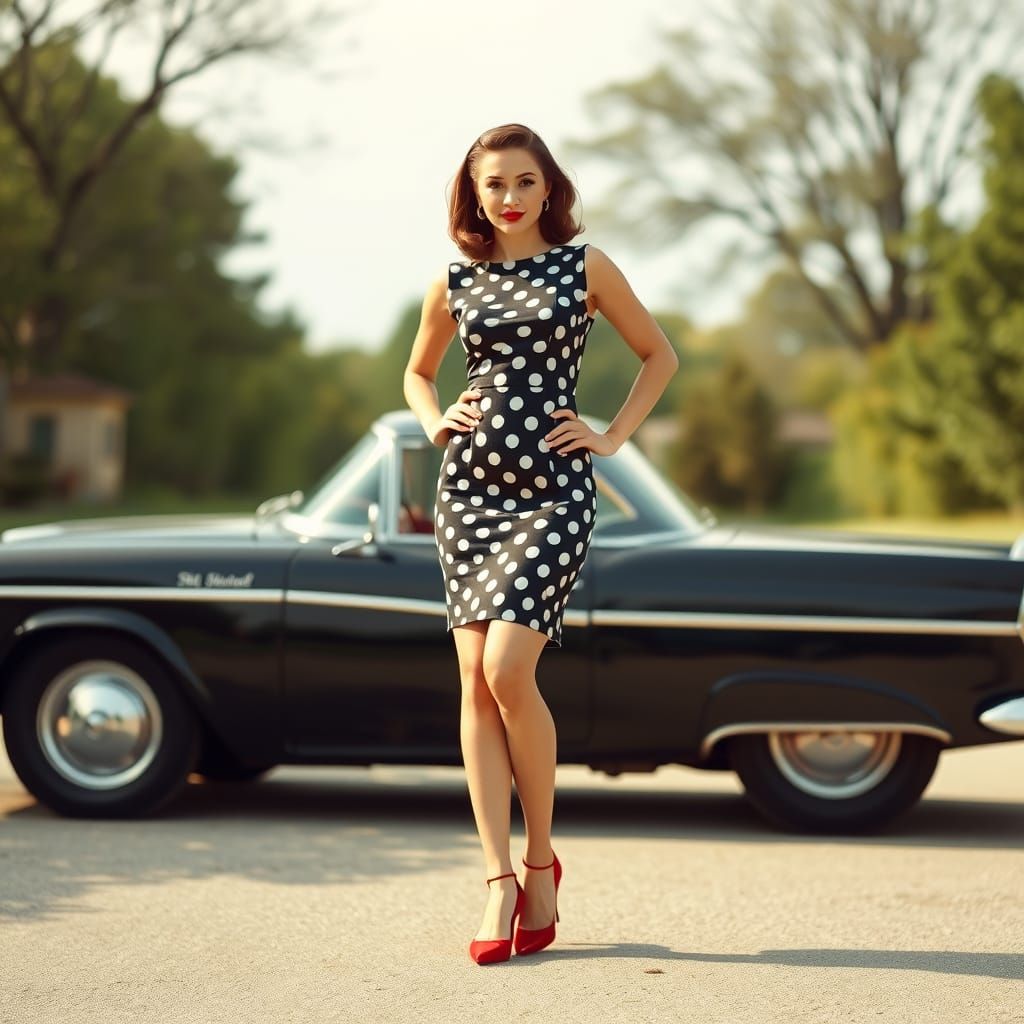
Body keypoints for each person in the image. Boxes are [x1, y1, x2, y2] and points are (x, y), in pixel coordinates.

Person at [403, 123, 678, 964]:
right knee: (474, 685)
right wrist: (434, 419)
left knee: (506, 670)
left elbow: (659, 356)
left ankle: (541, 860)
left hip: (554, 492)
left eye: (525, 182)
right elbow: (418, 372)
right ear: (475, 195)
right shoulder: (453, 281)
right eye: (494, 184)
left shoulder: (585, 268)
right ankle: (498, 880)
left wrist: (611, 436)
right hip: (470, 493)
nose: (511, 197)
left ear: (549, 188)